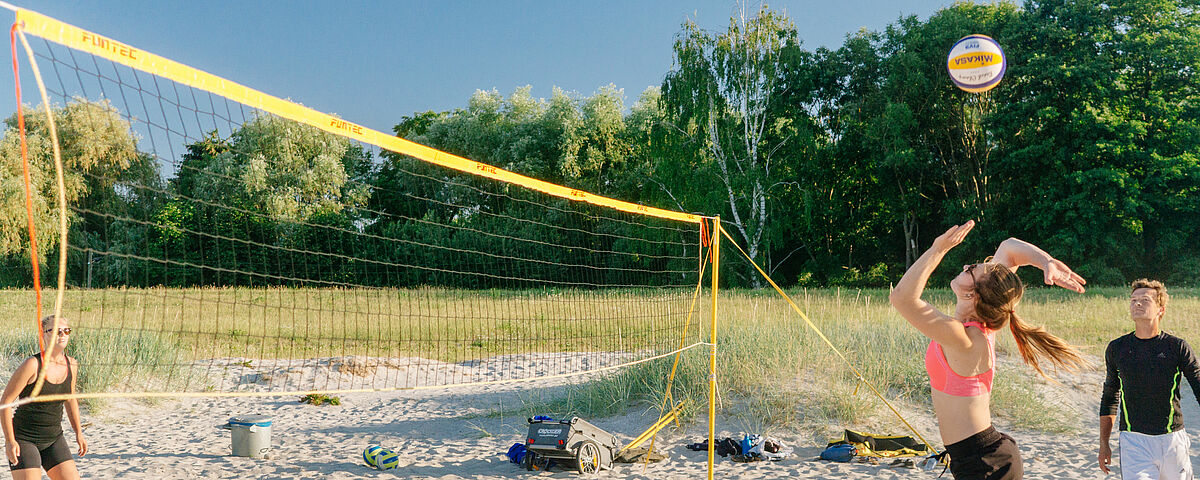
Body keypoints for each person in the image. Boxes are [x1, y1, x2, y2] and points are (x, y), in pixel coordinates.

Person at [890, 220, 1087, 479]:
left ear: (974, 295)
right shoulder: (974, 325)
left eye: (971, 269)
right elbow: (1009, 247)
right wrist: (1046, 261)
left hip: (984, 463)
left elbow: (902, 298)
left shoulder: (965, 338)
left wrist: (938, 249)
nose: (965, 266)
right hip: (977, 458)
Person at [1098, 279, 1200, 479]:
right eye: (1133, 299)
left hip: (1173, 440)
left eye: (1145, 300)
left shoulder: (1177, 347)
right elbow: (1110, 397)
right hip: (1134, 442)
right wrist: (1104, 445)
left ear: (1160, 310)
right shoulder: (1117, 348)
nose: (1137, 303)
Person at [1, 316, 87, 480]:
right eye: (55, 331)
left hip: (54, 439)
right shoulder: (32, 365)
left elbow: (70, 399)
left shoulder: (72, 364)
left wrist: (78, 433)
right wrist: (10, 441)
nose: (61, 334)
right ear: (43, 335)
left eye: (65, 331)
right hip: (24, 440)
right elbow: (5, 402)